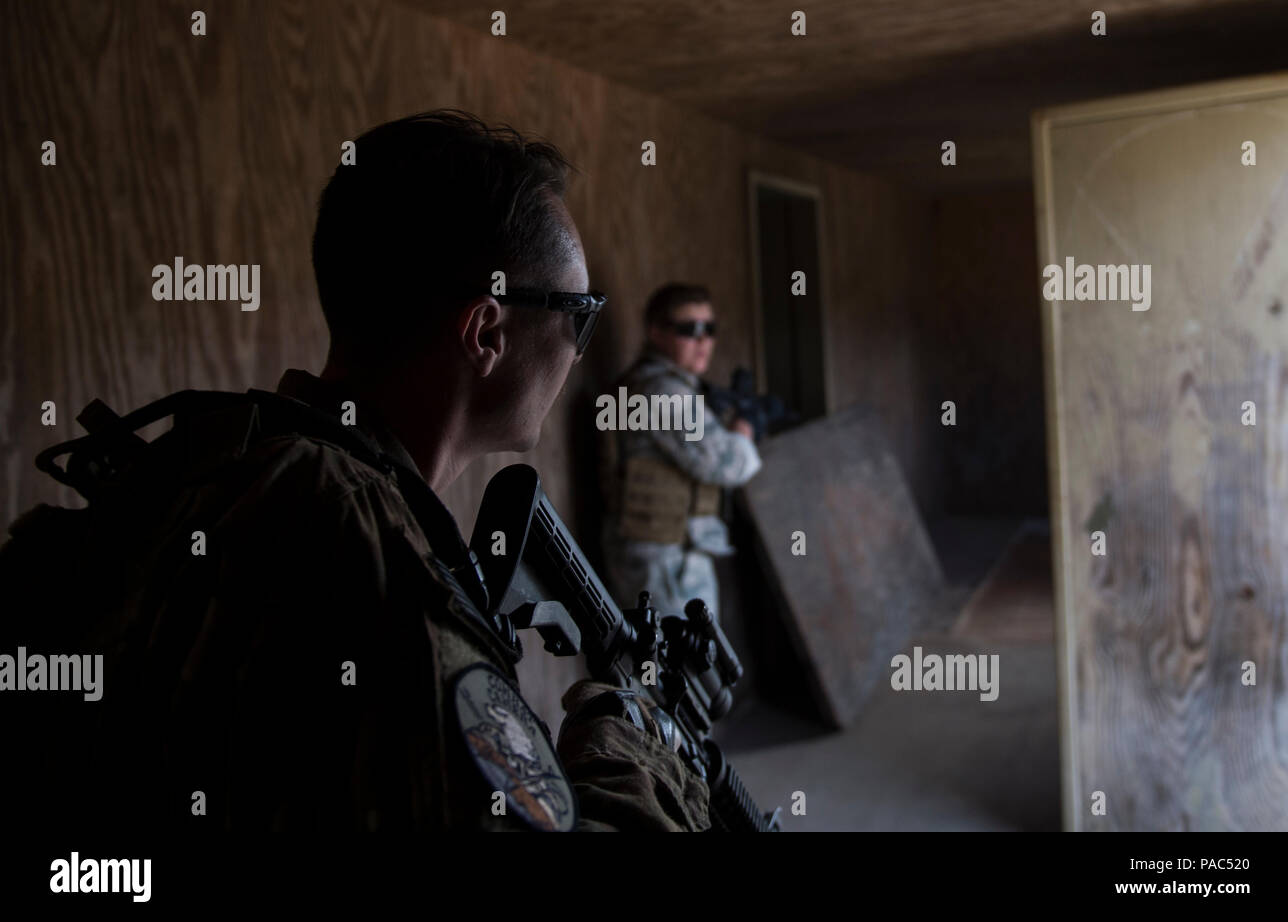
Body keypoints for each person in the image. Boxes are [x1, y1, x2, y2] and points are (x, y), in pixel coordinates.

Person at [3, 110, 708, 832]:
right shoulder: (360, 546)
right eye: (578, 316)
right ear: (487, 331)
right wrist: (627, 744)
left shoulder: (221, 461)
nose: (579, 349)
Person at [600, 284, 762, 620]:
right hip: (665, 560)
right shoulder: (662, 391)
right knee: (680, 667)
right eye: (689, 330)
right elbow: (727, 465)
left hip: (665, 552)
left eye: (710, 329)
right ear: (656, 332)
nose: (703, 341)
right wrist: (745, 429)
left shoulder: (655, 385)